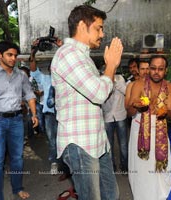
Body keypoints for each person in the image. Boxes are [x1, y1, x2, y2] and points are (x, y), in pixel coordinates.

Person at [51, 5, 123, 200]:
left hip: (97, 141)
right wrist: (111, 66)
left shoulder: (84, 58)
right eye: (99, 28)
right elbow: (99, 93)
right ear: (83, 26)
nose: (103, 33)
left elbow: (102, 93)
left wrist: (110, 70)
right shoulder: (68, 54)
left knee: (111, 195)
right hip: (80, 144)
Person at [0, 41, 38, 200]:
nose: (13, 58)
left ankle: (18, 188)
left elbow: (29, 94)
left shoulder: (21, 75)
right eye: (9, 55)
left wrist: (34, 114)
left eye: (15, 56)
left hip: (17, 120)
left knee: (17, 158)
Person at [127, 55, 171, 200]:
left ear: (165, 70)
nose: (156, 72)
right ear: (149, 69)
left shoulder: (169, 87)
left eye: (160, 69)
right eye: (153, 68)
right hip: (140, 130)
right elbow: (129, 113)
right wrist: (135, 106)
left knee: (161, 172)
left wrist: (166, 112)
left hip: (160, 131)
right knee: (141, 172)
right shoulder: (138, 85)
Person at [29, 38, 63, 175]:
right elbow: (32, 67)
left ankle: (66, 163)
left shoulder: (65, 78)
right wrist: (33, 50)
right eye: (51, 67)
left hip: (63, 113)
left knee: (65, 138)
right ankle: (54, 162)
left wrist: (61, 46)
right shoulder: (44, 78)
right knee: (52, 139)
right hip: (49, 114)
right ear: (50, 69)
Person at [102, 74, 128, 173]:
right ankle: (111, 167)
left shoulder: (120, 78)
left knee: (123, 143)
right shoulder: (102, 79)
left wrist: (116, 84)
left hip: (121, 114)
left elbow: (127, 92)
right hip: (108, 116)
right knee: (109, 144)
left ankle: (124, 166)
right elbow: (101, 97)